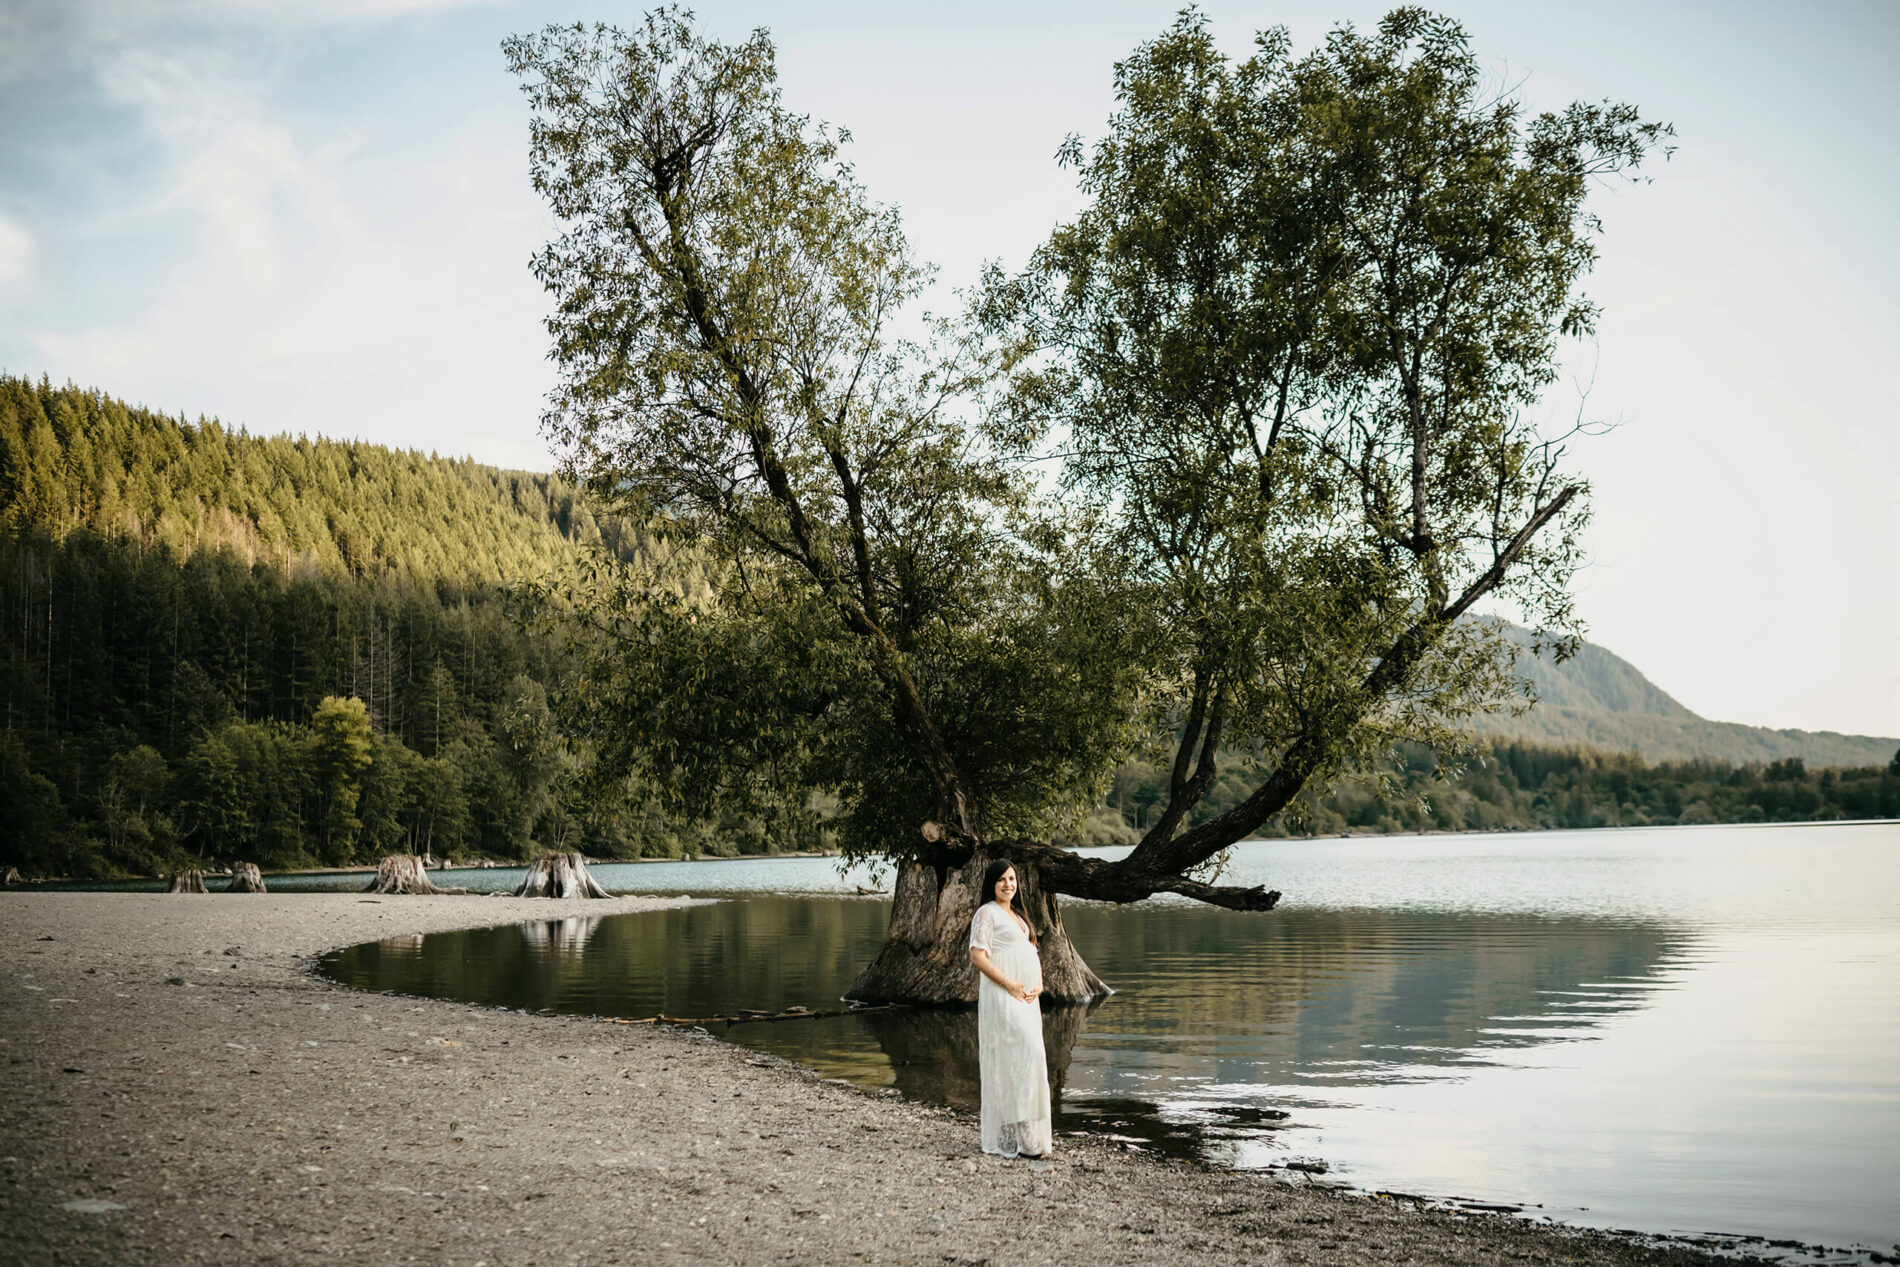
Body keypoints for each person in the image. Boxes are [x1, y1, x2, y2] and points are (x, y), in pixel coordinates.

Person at [968, 859, 1053, 1158]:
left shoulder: (1018, 914)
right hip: (1004, 996)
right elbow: (978, 956)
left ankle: (1026, 1134)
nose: (1008, 884)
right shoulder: (986, 913)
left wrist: (1039, 983)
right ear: (992, 883)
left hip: (1028, 998)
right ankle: (1018, 1137)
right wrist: (1009, 984)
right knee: (1017, 1057)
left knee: (1031, 1059)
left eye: (1013, 879)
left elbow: (1032, 950)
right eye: (1002, 879)